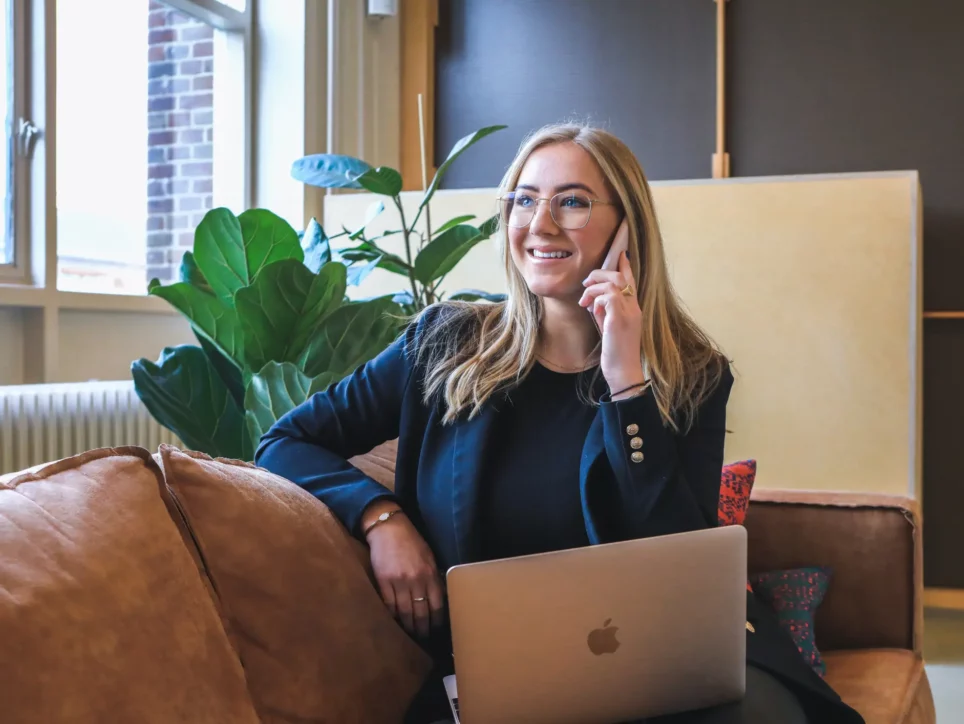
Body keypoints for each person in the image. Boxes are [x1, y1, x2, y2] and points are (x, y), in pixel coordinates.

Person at [255, 123, 864, 724]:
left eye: (571, 202)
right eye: (524, 199)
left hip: (665, 665)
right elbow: (284, 440)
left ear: (627, 228)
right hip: (502, 675)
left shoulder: (693, 375)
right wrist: (380, 518)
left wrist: (628, 384)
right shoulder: (443, 345)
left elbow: (680, 559)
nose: (540, 223)